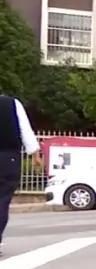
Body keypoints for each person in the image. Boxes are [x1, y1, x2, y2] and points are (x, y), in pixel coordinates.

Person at [0, 95, 41, 255]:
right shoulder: (12, 103)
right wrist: (35, 154)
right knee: (2, 201)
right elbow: (25, 129)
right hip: (8, 158)